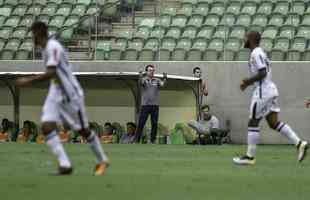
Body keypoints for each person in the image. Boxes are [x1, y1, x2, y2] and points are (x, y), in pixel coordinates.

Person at [15, 21, 109, 175]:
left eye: (34, 34)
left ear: (41, 33)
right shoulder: (45, 49)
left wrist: (27, 80)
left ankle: (102, 160)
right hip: (55, 91)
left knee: (83, 130)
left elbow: (51, 72)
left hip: (70, 93)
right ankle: (65, 165)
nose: (33, 38)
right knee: (46, 126)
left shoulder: (53, 47)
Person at [233, 31, 308, 165]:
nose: (243, 39)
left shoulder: (256, 53)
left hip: (263, 91)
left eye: (245, 37)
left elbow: (262, 72)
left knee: (253, 122)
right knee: (273, 123)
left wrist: (247, 82)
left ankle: (250, 157)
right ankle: (299, 143)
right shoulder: (260, 52)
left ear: (251, 39)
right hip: (270, 89)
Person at [134, 64, 167, 144]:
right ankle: (136, 140)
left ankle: (153, 140)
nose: (152, 72)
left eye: (153, 70)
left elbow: (162, 84)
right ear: (146, 71)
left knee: (154, 124)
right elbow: (140, 83)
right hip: (145, 105)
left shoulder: (157, 80)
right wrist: (140, 76)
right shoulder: (144, 79)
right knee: (141, 123)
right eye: (150, 70)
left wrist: (165, 78)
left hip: (155, 105)